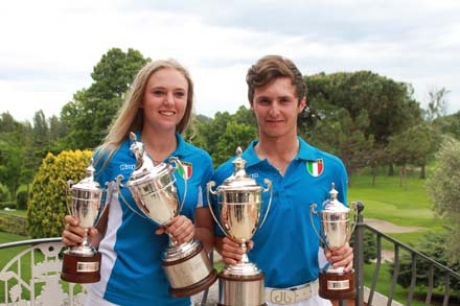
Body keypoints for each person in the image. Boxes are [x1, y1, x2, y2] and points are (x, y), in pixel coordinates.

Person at [62, 59, 214, 306]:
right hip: (113, 296)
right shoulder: (108, 157)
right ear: (141, 100)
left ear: (186, 103)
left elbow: (208, 237)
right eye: (158, 92)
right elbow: (96, 230)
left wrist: (191, 232)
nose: (169, 101)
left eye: (179, 94)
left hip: (176, 297)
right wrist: (78, 235)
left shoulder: (200, 162)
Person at [211, 55, 354, 306]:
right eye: (264, 101)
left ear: (301, 104)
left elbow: (336, 236)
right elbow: (216, 237)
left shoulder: (330, 169)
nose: (274, 110)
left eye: (284, 100)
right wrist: (224, 247)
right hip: (246, 298)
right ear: (252, 105)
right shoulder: (226, 176)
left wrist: (343, 252)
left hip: (311, 298)